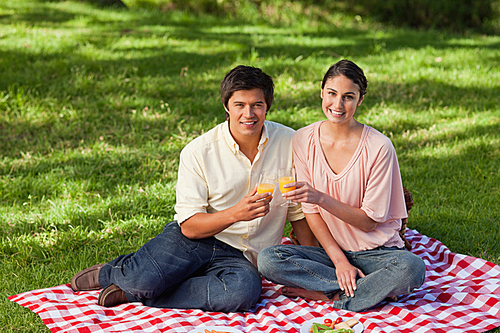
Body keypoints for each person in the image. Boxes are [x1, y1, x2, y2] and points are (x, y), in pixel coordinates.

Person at [70, 65, 317, 312]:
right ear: (226, 106)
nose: (248, 114)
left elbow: (298, 212)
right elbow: (188, 226)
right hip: (196, 239)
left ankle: (140, 294)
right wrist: (236, 213)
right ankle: (115, 272)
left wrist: (314, 270)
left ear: (268, 106)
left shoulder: (288, 143)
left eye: (257, 105)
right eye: (239, 105)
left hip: (242, 259)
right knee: (140, 278)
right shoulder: (199, 152)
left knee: (241, 293)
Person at [257, 60, 426, 312]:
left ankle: (331, 295)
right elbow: (311, 213)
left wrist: (321, 197)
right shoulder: (304, 139)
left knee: (412, 269)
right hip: (329, 254)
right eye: (332, 94)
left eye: (348, 97)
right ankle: (366, 290)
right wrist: (339, 262)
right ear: (321, 92)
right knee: (269, 259)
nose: (337, 105)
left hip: (376, 254)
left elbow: (368, 222)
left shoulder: (379, 147)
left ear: (360, 100)